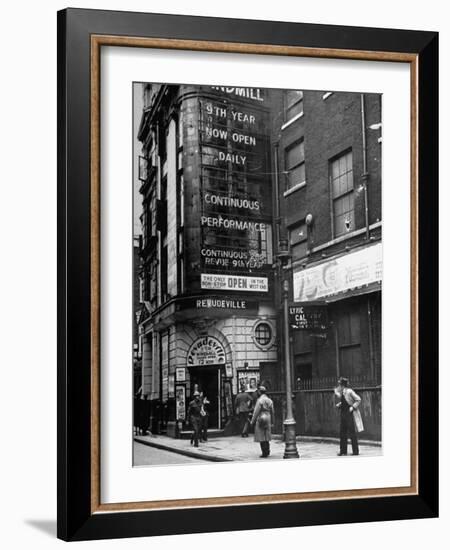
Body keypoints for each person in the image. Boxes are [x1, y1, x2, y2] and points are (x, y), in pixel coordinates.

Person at [334, 376, 364, 456]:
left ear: (342, 385)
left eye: (339, 385)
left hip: (349, 414)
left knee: (352, 433)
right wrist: (340, 404)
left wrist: (353, 407)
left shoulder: (349, 391)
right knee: (342, 433)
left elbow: (358, 399)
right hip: (343, 413)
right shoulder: (343, 392)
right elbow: (346, 401)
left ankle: (355, 451)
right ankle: (343, 451)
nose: (338, 387)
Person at [250, 386, 274, 458]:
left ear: (259, 392)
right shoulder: (269, 400)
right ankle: (268, 450)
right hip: (268, 417)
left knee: (261, 435)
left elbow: (256, 412)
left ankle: (264, 452)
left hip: (261, 417)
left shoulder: (259, 400)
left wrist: (252, 421)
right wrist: (273, 421)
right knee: (266, 435)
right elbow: (273, 412)